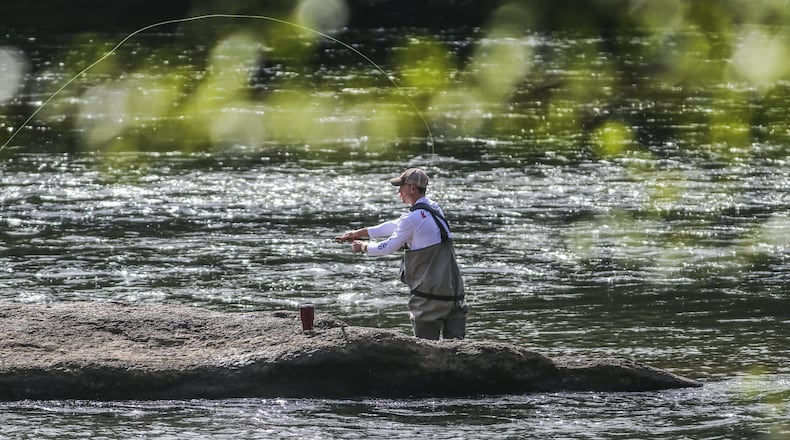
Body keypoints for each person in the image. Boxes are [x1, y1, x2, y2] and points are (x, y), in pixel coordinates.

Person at [335, 167, 467, 340]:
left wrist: (364, 247)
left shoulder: (411, 219)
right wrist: (359, 233)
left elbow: (388, 247)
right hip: (454, 296)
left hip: (429, 300)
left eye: (401, 187)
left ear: (412, 188)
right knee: (457, 352)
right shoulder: (434, 208)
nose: (398, 192)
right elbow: (393, 225)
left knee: (426, 352)